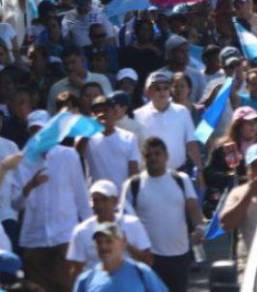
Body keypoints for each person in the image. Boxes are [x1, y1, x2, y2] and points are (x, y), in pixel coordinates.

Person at [15, 109, 91, 292]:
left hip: (65, 235)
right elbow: (15, 204)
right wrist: (30, 186)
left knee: (67, 287)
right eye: (34, 131)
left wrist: (90, 231)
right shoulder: (21, 161)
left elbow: (81, 196)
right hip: (35, 238)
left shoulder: (69, 155)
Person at [119, 137, 204, 292]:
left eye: (157, 154)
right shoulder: (132, 185)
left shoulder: (181, 179)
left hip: (180, 254)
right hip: (148, 258)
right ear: (143, 159)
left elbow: (193, 207)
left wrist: (199, 227)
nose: (153, 158)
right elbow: (123, 220)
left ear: (166, 156)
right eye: (148, 155)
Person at [66, 180, 153, 283]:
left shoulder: (132, 224)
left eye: (104, 200)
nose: (99, 205)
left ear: (115, 201)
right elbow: (76, 269)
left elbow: (148, 261)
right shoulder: (81, 231)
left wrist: (126, 245)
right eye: (95, 200)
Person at [219, 143, 257, 273]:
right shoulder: (238, 193)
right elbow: (225, 224)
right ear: (247, 169)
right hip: (250, 266)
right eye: (255, 166)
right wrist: (249, 194)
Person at [71, 223, 168, 292]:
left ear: (122, 243)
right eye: (99, 242)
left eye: (109, 241)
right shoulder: (86, 279)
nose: (103, 246)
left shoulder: (141, 272)